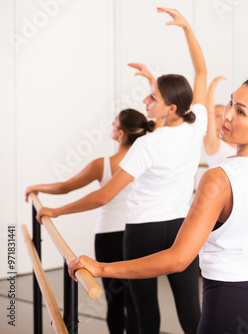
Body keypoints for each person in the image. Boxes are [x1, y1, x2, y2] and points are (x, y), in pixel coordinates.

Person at [67, 10, 248, 334]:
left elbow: (179, 259)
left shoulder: (219, 179)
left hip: (229, 301)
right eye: (230, 103)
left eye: (240, 111)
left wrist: (101, 268)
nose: (226, 116)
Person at [35, 8, 207, 334]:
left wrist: (56, 210)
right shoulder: (195, 123)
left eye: (152, 96)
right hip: (182, 228)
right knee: (190, 310)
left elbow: (103, 196)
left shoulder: (147, 145)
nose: (145, 99)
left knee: (145, 314)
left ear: (170, 107)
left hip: (143, 231)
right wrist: (186, 29)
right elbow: (201, 69)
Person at [25, 108, 153, 334]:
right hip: (138, 235)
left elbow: (65, 187)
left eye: (114, 123)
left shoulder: (102, 164)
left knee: (115, 302)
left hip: (109, 237)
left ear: (121, 134)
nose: (111, 126)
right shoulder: (148, 162)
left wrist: (38, 188)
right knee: (135, 301)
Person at [204, 75, 237, 169]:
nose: (223, 118)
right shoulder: (212, 143)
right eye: (218, 115)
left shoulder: (237, 140)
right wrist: (211, 87)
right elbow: (209, 114)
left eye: (224, 114)